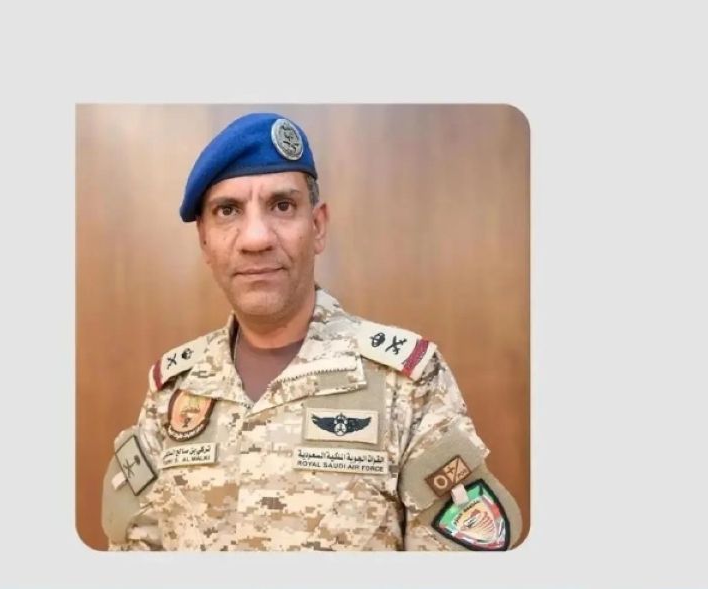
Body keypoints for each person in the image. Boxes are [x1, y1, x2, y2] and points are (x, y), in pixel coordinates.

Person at [101, 112, 522, 551]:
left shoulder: (407, 383)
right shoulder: (173, 390)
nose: (256, 238)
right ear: (204, 240)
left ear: (317, 227)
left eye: (282, 206)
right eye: (228, 211)